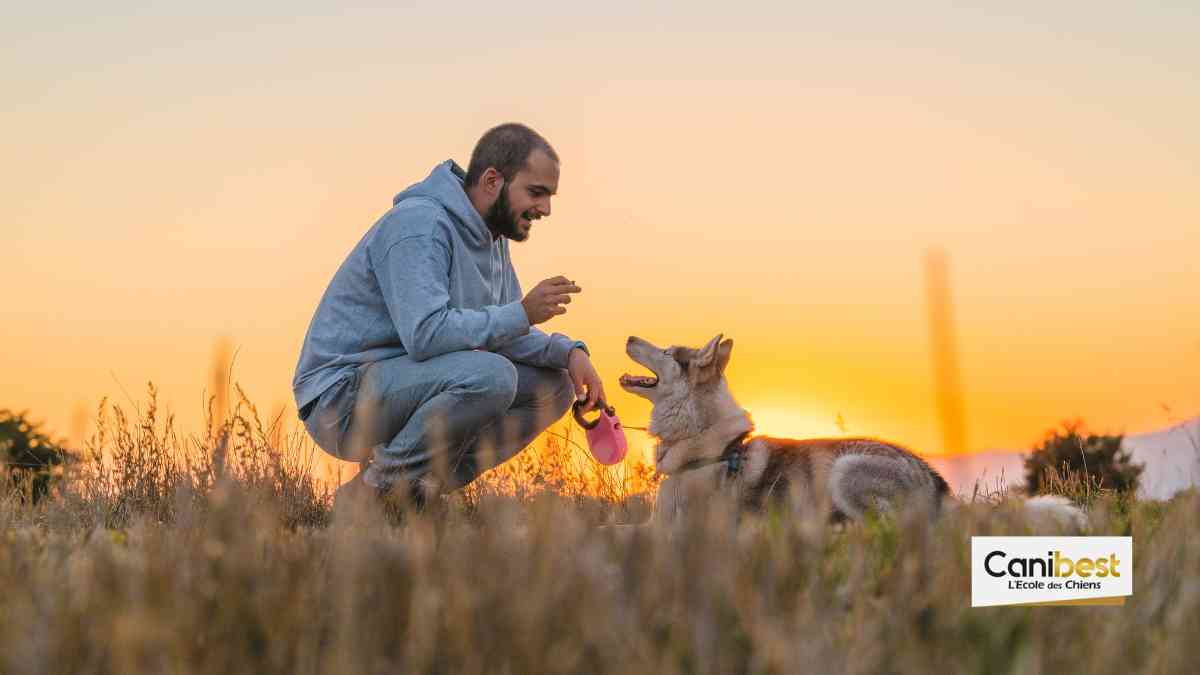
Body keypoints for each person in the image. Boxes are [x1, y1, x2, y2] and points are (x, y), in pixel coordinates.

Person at [293, 123, 606, 509]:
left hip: (407, 383)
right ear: (492, 181)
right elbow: (425, 335)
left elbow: (504, 331)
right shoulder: (419, 225)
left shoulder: (492, 239)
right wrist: (522, 312)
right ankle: (374, 493)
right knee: (491, 376)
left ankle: (418, 493)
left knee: (553, 386)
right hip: (339, 398)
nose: (545, 209)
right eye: (536, 192)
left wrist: (569, 354)